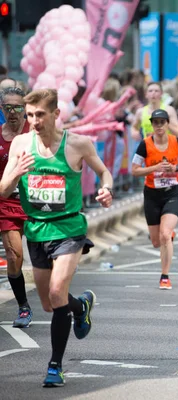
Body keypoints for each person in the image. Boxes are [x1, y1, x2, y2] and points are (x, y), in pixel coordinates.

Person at [0, 89, 113, 387]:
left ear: (55, 114)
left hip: (68, 229)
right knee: (52, 304)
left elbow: (104, 172)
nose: (33, 121)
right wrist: (16, 174)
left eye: (40, 115)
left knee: (56, 291)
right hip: (37, 229)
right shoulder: (22, 145)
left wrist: (106, 190)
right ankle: (81, 307)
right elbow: (2, 189)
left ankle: (54, 365)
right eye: (30, 114)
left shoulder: (77, 144)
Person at [132, 109, 178, 289]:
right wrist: (155, 168)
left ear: (168, 124)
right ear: (151, 125)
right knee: (156, 241)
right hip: (151, 194)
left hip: (171, 192)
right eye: (155, 122)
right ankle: (167, 236)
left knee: (165, 235)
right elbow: (134, 170)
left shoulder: (177, 142)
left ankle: (165, 276)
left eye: (162, 122)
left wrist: (175, 168)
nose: (159, 126)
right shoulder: (144, 145)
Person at [0, 87, 32, 327]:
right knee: (14, 256)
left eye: (17, 107)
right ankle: (23, 306)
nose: (12, 112)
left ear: (26, 109)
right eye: (7, 107)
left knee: (47, 259)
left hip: (37, 201)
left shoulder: (35, 132)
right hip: (7, 202)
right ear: (2, 109)